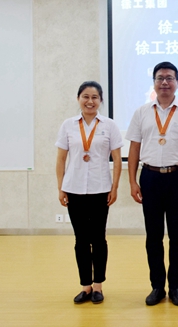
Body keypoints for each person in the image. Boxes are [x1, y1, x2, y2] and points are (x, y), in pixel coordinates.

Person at [126, 61, 178, 306]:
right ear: (154, 83)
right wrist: (132, 182)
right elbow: (134, 148)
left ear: (177, 83)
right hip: (150, 178)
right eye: (160, 78)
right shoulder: (141, 112)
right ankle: (157, 286)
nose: (165, 83)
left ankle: (176, 287)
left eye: (170, 78)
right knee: (153, 236)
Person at [55, 81, 123, 304]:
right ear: (78, 99)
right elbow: (61, 159)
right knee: (81, 240)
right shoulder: (68, 125)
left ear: (101, 100)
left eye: (94, 97)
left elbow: (117, 159)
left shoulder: (109, 125)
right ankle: (85, 286)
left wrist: (114, 187)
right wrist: (61, 187)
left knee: (98, 239)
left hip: (100, 189)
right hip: (74, 189)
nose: (90, 101)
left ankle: (98, 286)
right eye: (85, 96)